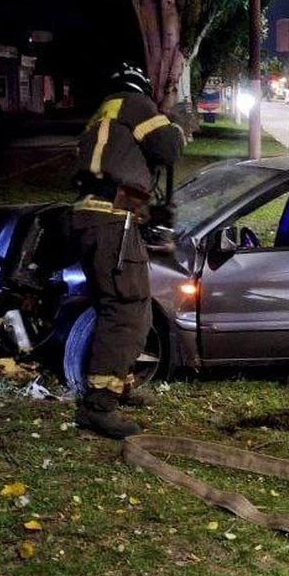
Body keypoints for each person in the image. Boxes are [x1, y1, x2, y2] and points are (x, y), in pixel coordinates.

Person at [63, 61, 186, 439]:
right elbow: (169, 148)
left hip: (92, 219)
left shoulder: (104, 114)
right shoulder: (134, 105)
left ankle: (120, 383)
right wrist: (177, 124)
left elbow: (114, 175)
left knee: (129, 306)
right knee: (126, 307)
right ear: (142, 88)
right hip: (112, 224)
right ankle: (99, 406)